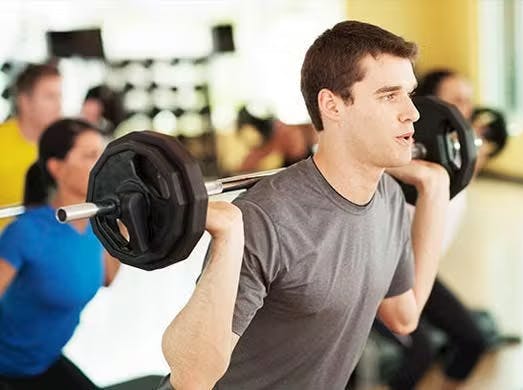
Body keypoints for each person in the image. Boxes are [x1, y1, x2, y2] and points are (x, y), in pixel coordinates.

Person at [159, 20, 451, 389]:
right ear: (332, 105)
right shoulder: (266, 218)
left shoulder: (388, 197)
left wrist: (435, 192)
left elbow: (404, 317)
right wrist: (231, 234)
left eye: (408, 93)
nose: (413, 112)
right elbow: (191, 379)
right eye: (389, 95)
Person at [367, 69, 492, 390]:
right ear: (427, 108)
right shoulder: (400, 164)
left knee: (473, 341)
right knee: (419, 353)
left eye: (468, 101)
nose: (464, 111)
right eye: (455, 101)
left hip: (418, 273)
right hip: (380, 278)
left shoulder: (453, 163)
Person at [0, 118, 121, 389]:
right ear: (57, 167)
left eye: (103, 154)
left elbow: (107, 278)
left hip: (45, 361)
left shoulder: (97, 224)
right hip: (5, 368)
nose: (103, 165)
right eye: (91, 156)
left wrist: (125, 220)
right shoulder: (26, 232)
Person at [0, 64, 62, 230]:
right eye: (50, 97)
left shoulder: (64, 147)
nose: (58, 105)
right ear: (25, 101)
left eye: (59, 96)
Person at [236, 106, 318, 173]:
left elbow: (299, 156)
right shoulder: (259, 147)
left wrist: (279, 160)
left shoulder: (286, 133)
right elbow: (244, 169)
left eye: (245, 131)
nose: (244, 138)